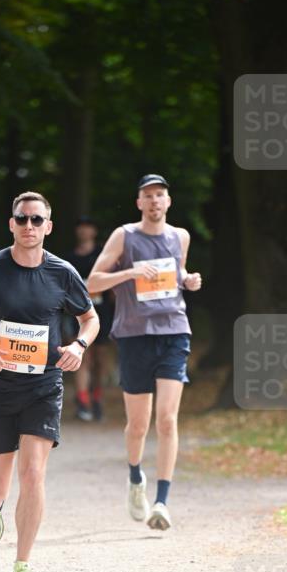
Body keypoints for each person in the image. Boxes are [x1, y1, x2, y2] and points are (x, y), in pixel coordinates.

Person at [0, 191, 99, 572]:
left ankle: (22, 567)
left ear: (49, 226)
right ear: (11, 224)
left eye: (37, 220)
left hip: (43, 386)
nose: (29, 226)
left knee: (33, 474)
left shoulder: (63, 272)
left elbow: (90, 318)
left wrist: (78, 346)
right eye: (22, 219)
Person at [87, 174, 202, 531]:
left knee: (167, 419)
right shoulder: (125, 236)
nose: (154, 201)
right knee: (138, 425)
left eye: (160, 195)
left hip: (174, 331)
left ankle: (163, 502)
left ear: (168, 202)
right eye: (148, 196)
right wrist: (131, 272)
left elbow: (177, 271)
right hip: (135, 335)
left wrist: (188, 280)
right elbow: (92, 282)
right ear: (139, 203)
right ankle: (136, 477)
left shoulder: (180, 236)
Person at [64, 217, 114, 421]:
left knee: (100, 358)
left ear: (94, 231)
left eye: (88, 227)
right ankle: (82, 400)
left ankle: (97, 395)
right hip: (76, 313)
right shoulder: (69, 259)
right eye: (81, 228)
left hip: (102, 311)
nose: (84, 232)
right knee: (82, 355)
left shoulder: (103, 256)